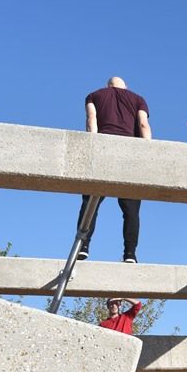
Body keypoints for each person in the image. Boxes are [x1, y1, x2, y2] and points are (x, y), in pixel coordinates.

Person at [76, 77, 152, 263]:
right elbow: (143, 124)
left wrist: (92, 146)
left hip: (103, 148)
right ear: (126, 87)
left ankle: (83, 245)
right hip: (130, 153)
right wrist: (149, 152)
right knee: (131, 209)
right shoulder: (138, 99)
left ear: (107, 86)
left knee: (90, 201)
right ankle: (130, 254)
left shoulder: (94, 95)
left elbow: (91, 120)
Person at [99, 297, 142, 372]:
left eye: (116, 304)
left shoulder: (126, 317)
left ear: (119, 306)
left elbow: (138, 305)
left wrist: (123, 297)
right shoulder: (103, 325)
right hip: (113, 360)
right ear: (108, 307)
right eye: (111, 304)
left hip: (128, 357)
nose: (113, 306)